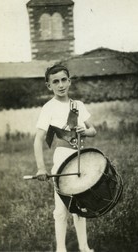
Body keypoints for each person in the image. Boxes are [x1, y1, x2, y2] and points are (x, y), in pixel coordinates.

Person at [34, 64, 96, 252]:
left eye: (63, 80)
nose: (60, 85)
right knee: (61, 210)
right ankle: (61, 249)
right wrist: (41, 168)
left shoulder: (78, 105)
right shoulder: (48, 107)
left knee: (80, 207)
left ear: (69, 81)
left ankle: (84, 248)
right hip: (62, 160)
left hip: (80, 158)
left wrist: (84, 130)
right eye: (55, 81)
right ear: (49, 86)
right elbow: (38, 140)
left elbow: (93, 130)